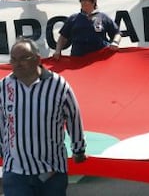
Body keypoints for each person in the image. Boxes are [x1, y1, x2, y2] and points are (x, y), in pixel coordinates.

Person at [0, 37, 87, 196]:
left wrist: (78, 148)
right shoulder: (4, 87)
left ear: (37, 59)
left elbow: (73, 116)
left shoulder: (58, 85)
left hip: (51, 172)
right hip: (15, 172)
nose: (17, 64)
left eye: (23, 59)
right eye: (13, 59)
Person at [53, 0, 122, 58]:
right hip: (78, 58)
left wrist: (115, 42)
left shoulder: (103, 17)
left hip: (100, 58)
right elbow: (63, 37)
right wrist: (58, 50)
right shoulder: (73, 18)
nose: (83, 2)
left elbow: (117, 33)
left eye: (86, 0)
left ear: (94, 2)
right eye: (81, 0)